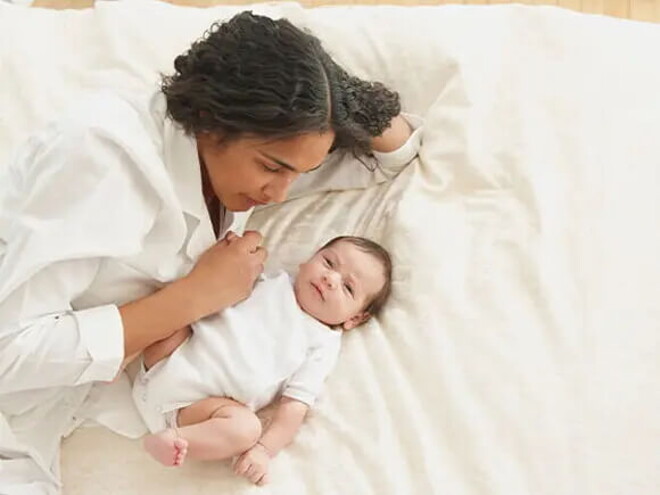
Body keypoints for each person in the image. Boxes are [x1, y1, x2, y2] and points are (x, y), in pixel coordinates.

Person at [0, 11, 421, 494]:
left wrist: (333, 92)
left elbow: (393, 154)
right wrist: (194, 297)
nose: (281, 194)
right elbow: (8, 350)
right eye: (273, 167)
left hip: (42, 426)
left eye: (299, 174)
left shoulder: (244, 164)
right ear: (212, 122)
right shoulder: (103, 159)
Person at [131, 235, 392, 486]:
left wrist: (264, 451)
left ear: (355, 319)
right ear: (307, 260)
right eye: (328, 262)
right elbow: (216, 288)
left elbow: (294, 407)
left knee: (246, 429)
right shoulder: (270, 280)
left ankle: (174, 440)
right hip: (169, 354)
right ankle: (120, 352)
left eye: (347, 288)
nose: (330, 278)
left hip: (197, 408)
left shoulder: (322, 343)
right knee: (173, 304)